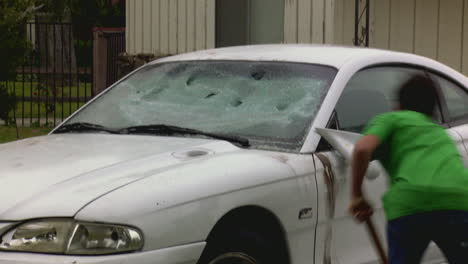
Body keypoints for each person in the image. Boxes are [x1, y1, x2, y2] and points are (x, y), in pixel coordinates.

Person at [348, 74, 468, 264]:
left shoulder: (391, 119)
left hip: (410, 203)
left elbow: (362, 148)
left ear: (400, 104)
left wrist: (356, 196)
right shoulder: (439, 132)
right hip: (459, 202)